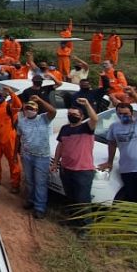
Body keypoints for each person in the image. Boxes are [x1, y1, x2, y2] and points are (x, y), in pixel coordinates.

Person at [99, 87, 137, 205]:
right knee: (131, 199)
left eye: (126, 113)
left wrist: (134, 95)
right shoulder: (114, 127)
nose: (123, 116)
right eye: (120, 114)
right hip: (127, 169)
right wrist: (109, 162)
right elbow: (111, 143)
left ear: (132, 113)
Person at [52, 98, 98, 231]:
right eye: (70, 114)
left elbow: (95, 119)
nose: (71, 116)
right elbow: (60, 146)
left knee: (83, 200)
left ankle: (85, 227)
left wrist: (87, 104)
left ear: (82, 116)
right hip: (66, 169)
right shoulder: (65, 129)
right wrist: (55, 162)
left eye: (75, 115)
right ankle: (73, 221)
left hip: (82, 171)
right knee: (71, 199)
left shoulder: (86, 128)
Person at [17, 96, 56, 218]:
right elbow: (18, 137)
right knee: (29, 181)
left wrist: (40, 100)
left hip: (41, 157)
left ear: (37, 110)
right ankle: (31, 200)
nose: (29, 110)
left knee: (40, 182)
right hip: (27, 155)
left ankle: (40, 208)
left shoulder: (44, 119)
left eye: (31, 108)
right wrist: (15, 152)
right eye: (27, 108)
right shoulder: (22, 121)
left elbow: (53, 111)